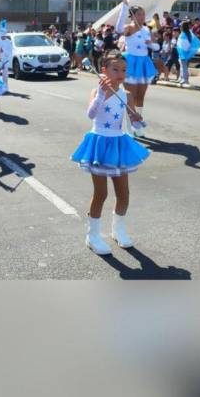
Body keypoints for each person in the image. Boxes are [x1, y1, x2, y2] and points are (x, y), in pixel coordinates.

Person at [71, 50, 150, 255]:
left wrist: (137, 120)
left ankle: (118, 230)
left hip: (119, 142)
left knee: (124, 193)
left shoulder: (127, 95)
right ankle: (93, 236)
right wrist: (101, 95)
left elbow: (133, 121)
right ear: (104, 71)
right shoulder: (97, 91)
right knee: (101, 193)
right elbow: (90, 114)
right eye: (115, 69)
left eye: (123, 70)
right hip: (100, 143)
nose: (120, 73)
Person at [116, 0, 158, 137]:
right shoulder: (129, 28)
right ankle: (128, 128)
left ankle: (138, 127)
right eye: (139, 14)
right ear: (133, 15)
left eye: (143, 14)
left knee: (140, 97)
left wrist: (152, 43)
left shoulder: (146, 29)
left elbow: (154, 45)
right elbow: (118, 29)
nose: (142, 16)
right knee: (130, 97)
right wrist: (124, 7)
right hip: (131, 63)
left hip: (144, 63)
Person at [176, 20, 200, 85]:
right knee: (183, 66)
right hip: (187, 53)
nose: (180, 27)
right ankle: (182, 78)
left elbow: (182, 44)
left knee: (183, 67)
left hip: (183, 53)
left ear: (183, 27)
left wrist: (183, 51)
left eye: (181, 26)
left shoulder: (183, 34)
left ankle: (185, 79)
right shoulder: (189, 33)